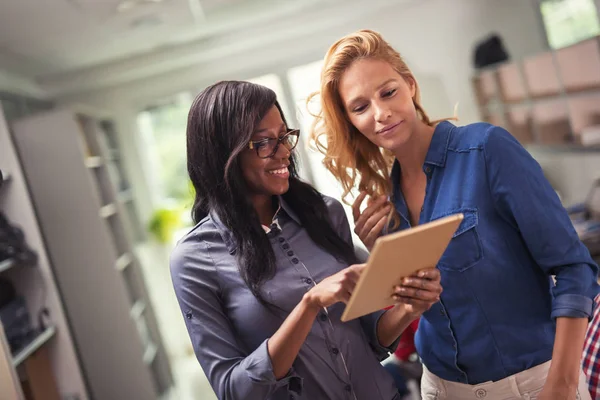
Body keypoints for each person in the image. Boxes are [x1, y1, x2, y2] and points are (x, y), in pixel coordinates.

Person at [310, 29, 599, 400]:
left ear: (410, 85)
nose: (380, 114)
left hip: (534, 383)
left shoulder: (487, 149)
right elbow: (415, 309)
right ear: (349, 120)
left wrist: (561, 385)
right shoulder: (384, 205)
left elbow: (574, 267)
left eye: (388, 92)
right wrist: (382, 254)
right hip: (441, 388)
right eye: (360, 107)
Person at [169, 80, 443, 400]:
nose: (284, 152)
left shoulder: (325, 214)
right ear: (223, 156)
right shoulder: (193, 260)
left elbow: (371, 339)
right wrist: (309, 305)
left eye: (284, 137)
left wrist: (409, 307)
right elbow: (234, 391)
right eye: (264, 143)